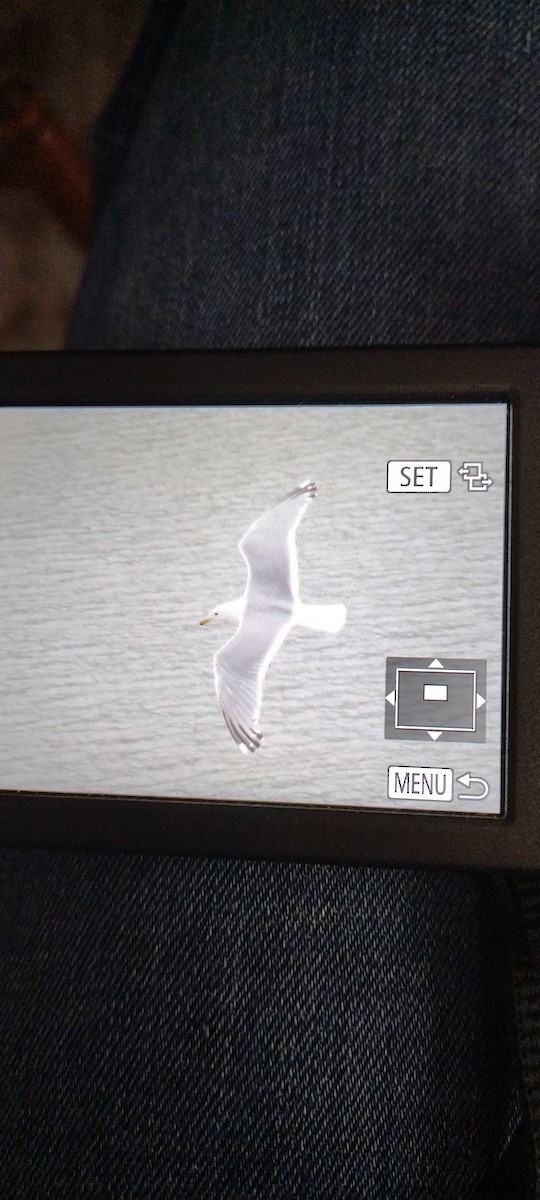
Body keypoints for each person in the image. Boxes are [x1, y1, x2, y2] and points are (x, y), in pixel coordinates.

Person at [2, 3, 538, 1196]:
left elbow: (273, 540)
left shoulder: (253, 581)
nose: (212, 634)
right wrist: (245, 692)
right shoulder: (243, 624)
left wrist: (295, 499)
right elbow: (241, 653)